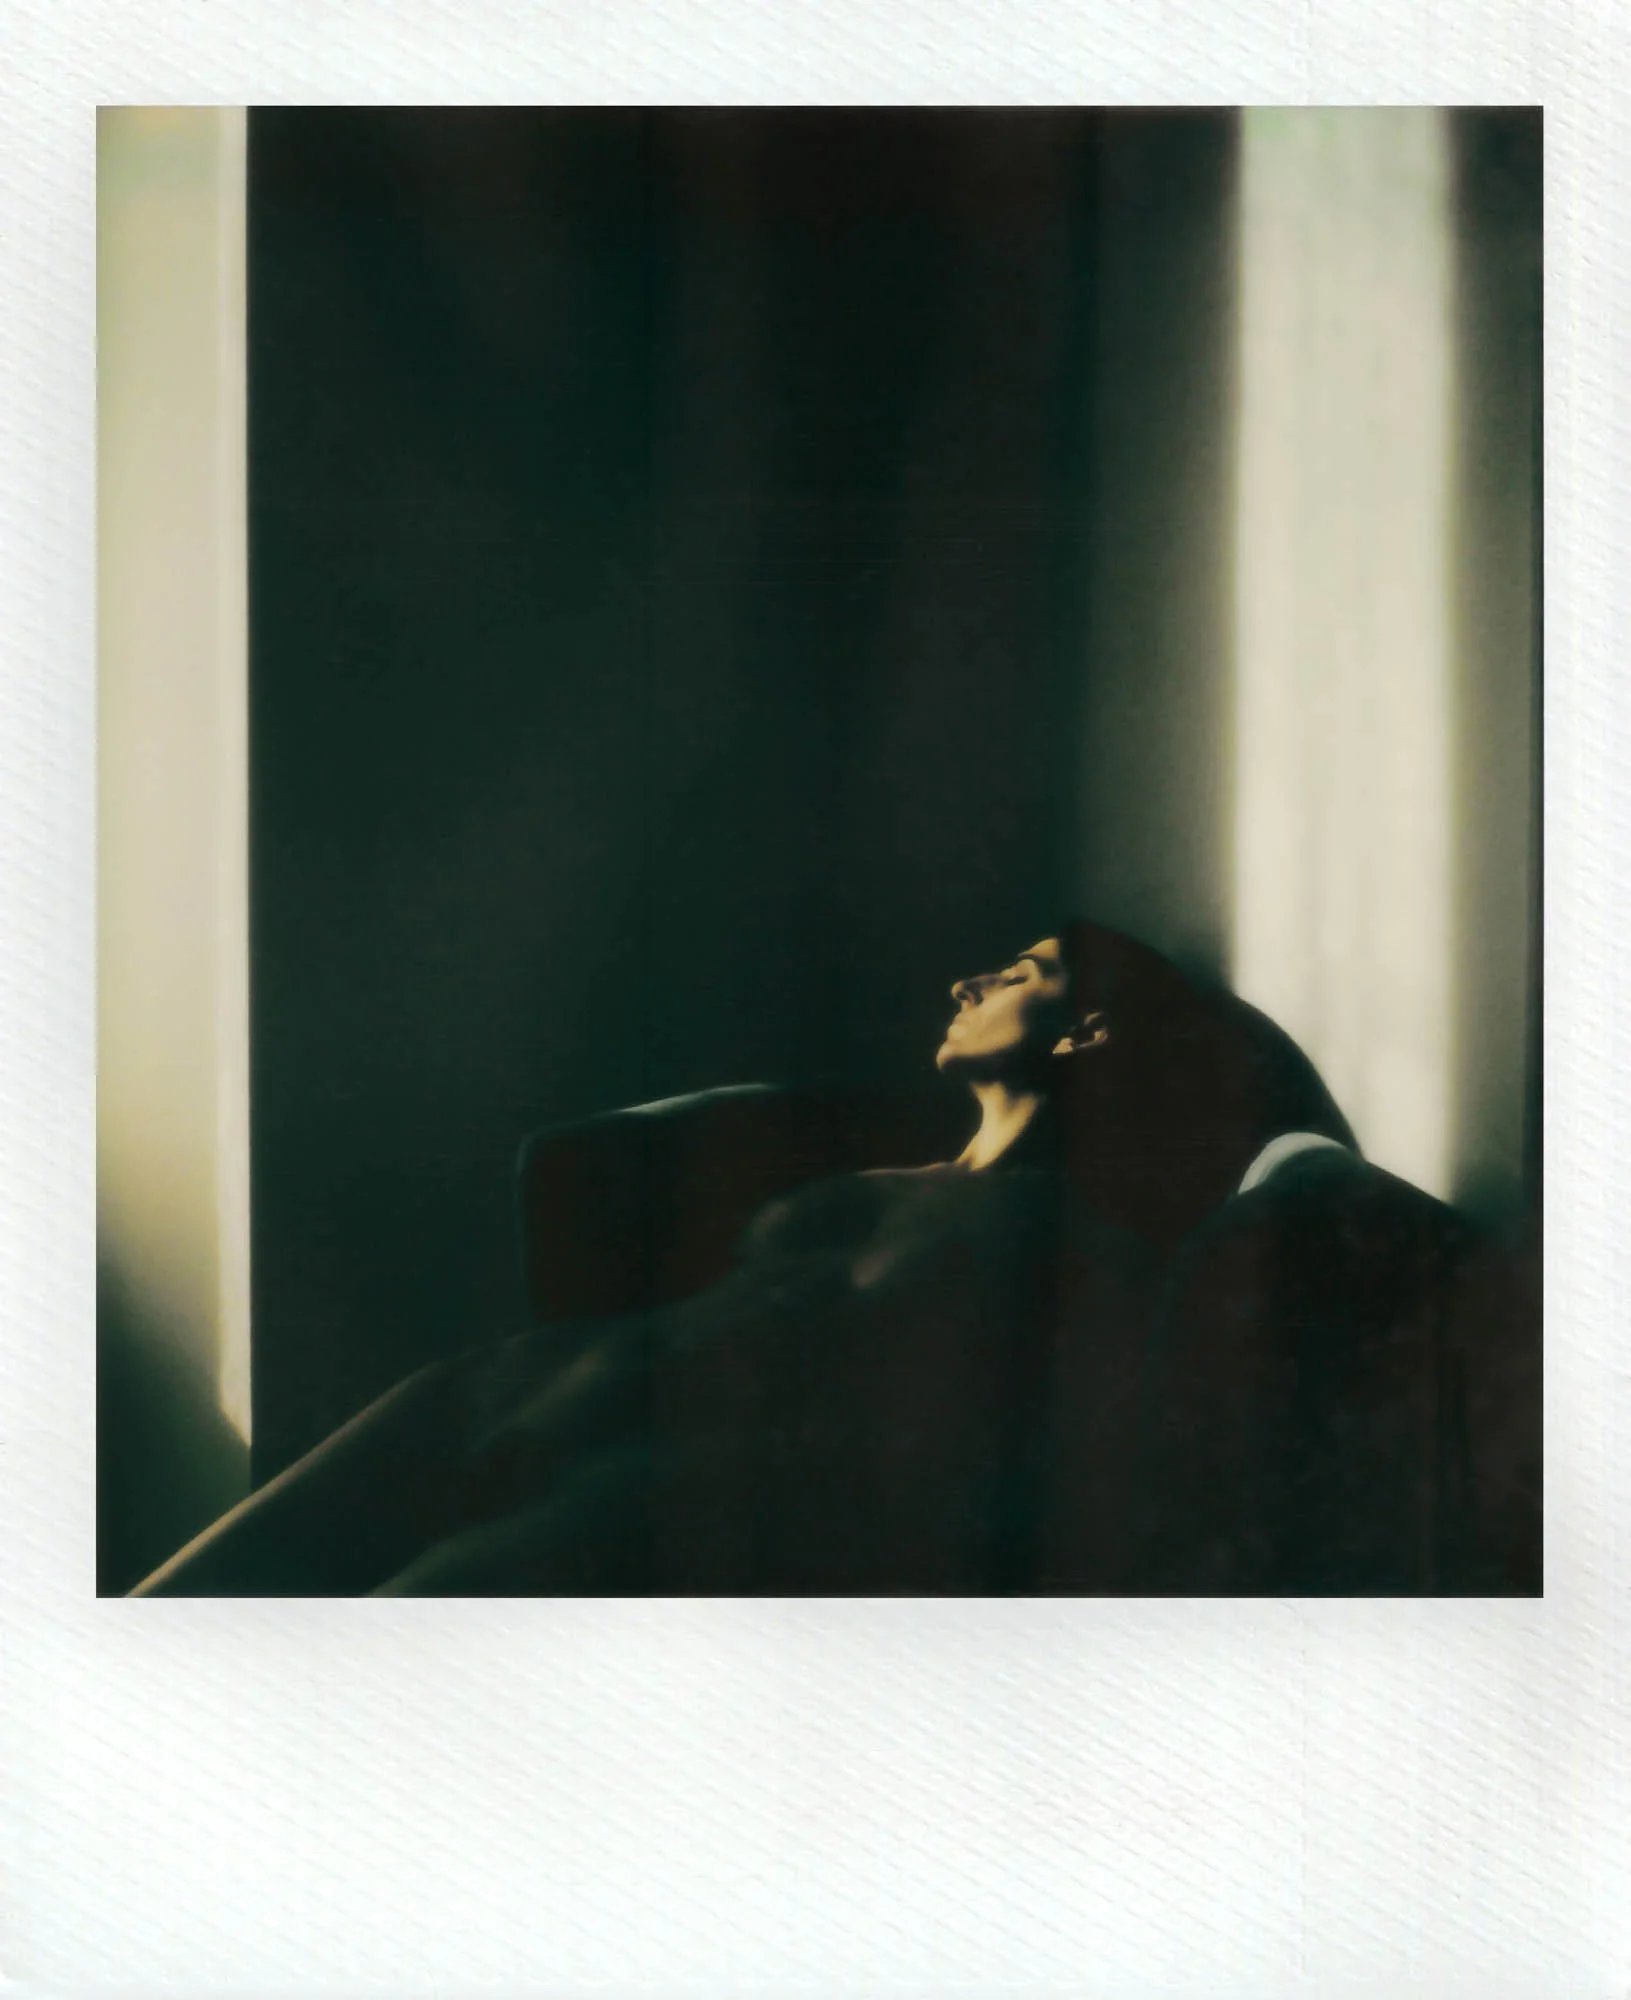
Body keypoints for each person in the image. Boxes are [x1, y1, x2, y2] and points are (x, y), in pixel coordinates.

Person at [132, 923, 1527, 1596]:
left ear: (1090, 1030)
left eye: (1019, 970)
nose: (967, 979)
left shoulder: (1079, 1234)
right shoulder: (898, 1182)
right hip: (501, 1403)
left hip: (656, 1484)